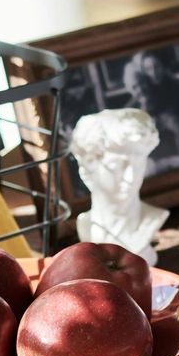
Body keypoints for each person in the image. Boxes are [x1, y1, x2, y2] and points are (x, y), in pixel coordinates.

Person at [69, 108, 167, 258]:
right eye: (117, 166)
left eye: (138, 163)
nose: (131, 177)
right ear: (88, 167)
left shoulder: (153, 218)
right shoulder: (86, 226)